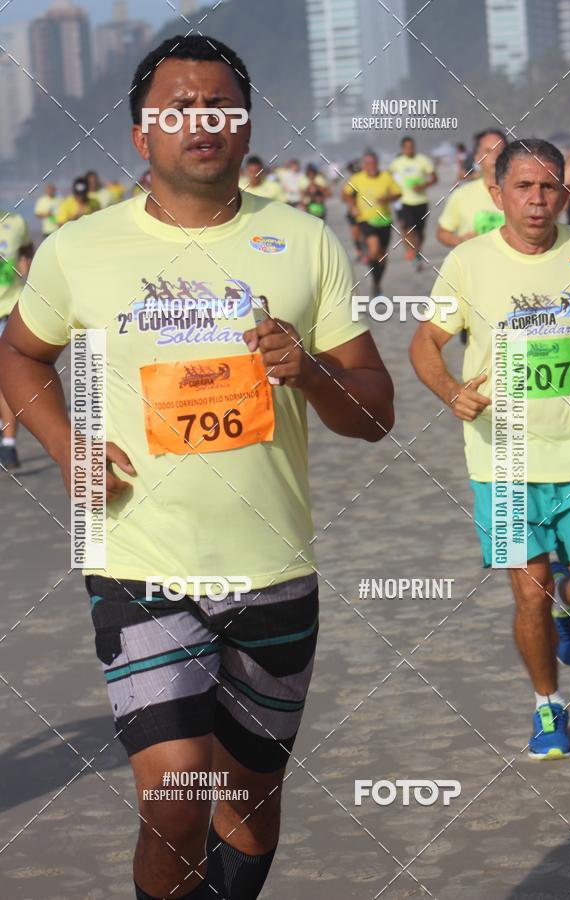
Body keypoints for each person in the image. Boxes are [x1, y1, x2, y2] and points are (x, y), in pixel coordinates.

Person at [0, 34, 394, 900]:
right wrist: (67, 451)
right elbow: (20, 355)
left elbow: (375, 412)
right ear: (142, 134)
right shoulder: (79, 249)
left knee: (249, 801)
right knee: (176, 795)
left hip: (274, 568)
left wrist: (313, 369)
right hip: (139, 562)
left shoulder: (303, 241)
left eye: (219, 104)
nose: (200, 121)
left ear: (246, 124)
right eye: (177, 107)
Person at [410, 138, 570, 761]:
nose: (538, 200)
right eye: (524, 187)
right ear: (497, 195)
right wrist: (450, 394)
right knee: (528, 594)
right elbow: (424, 345)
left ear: (563, 191)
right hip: (506, 457)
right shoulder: (468, 263)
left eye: (549, 186)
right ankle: (548, 706)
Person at [0, 209, 33, 469]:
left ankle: (8, 444)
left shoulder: (16, 222)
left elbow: (26, 250)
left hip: (8, 313)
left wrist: (28, 278)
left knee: (7, 381)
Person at [437, 129, 508, 248]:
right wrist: (460, 241)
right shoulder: (461, 195)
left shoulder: (524, 193)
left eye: (500, 151)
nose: (495, 156)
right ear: (477, 157)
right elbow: (442, 232)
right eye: (488, 151)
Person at [342, 151, 401, 294]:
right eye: (368, 163)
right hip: (366, 220)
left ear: (377, 163)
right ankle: (367, 255)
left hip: (384, 220)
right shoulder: (357, 179)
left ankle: (376, 283)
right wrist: (353, 206)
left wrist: (387, 198)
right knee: (374, 250)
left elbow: (398, 193)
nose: (371, 166)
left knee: (382, 256)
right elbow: (346, 194)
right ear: (364, 165)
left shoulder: (386, 177)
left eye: (374, 162)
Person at [389, 136, 437, 270]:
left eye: (412, 147)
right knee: (410, 229)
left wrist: (423, 185)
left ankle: (417, 251)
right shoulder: (397, 162)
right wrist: (392, 193)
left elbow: (434, 178)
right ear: (402, 148)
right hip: (404, 201)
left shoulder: (423, 160)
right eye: (407, 147)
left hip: (421, 201)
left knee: (420, 232)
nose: (409, 150)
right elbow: (388, 178)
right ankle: (415, 254)